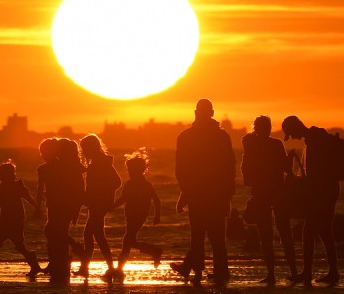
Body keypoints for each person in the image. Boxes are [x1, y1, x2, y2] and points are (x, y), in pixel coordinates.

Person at [172, 99, 235, 286]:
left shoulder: (185, 136)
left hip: (197, 193)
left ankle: (197, 271)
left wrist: (185, 192)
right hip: (217, 194)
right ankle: (220, 272)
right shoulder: (222, 137)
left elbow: (181, 169)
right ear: (212, 113)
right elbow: (229, 167)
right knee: (217, 236)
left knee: (197, 235)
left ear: (195, 113)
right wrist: (228, 193)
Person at [282, 115, 342, 285]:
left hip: (324, 193)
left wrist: (297, 179)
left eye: (291, 133)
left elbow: (317, 175)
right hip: (325, 191)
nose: (292, 138)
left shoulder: (315, 140)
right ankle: (320, 272)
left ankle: (320, 273)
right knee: (319, 232)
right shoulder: (313, 139)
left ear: (296, 127)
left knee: (316, 232)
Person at [241, 116, 298, 284]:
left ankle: (272, 274)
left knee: (266, 234)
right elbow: (285, 168)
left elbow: (246, 169)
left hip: (261, 193)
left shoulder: (250, 144)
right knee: (284, 232)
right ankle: (293, 272)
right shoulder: (276, 144)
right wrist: (291, 158)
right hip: (277, 192)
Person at [0, 161, 41, 280]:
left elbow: (28, 198)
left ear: (7, 175)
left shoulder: (16, 186)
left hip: (13, 220)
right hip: (7, 219)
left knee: (6, 245)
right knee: (6, 245)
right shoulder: (4, 187)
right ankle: (34, 265)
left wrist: (37, 208)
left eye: (0, 176)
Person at [38, 138, 86, 283]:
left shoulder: (66, 167)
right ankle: (59, 263)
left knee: (54, 232)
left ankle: (75, 254)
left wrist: (76, 208)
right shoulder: (57, 166)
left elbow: (77, 188)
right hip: (54, 204)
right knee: (54, 233)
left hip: (64, 204)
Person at [75, 134, 121, 280]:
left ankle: (106, 268)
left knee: (95, 235)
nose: (83, 152)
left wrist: (103, 193)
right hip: (96, 203)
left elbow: (117, 182)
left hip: (100, 203)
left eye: (85, 149)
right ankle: (88, 268)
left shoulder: (102, 163)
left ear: (93, 148)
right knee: (92, 235)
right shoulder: (95, 163)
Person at [112, 148, 162, 276]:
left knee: (127, 241)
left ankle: (119, 269)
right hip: (132, 215)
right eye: (129, 170)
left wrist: (157, 216)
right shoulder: (138, 184)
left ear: (140, 170)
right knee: (129, 241)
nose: (129, 172)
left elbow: (156, 200)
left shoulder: (142, 184)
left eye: (131, 170)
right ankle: (153, 251)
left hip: (137, 216)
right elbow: (155, 201)